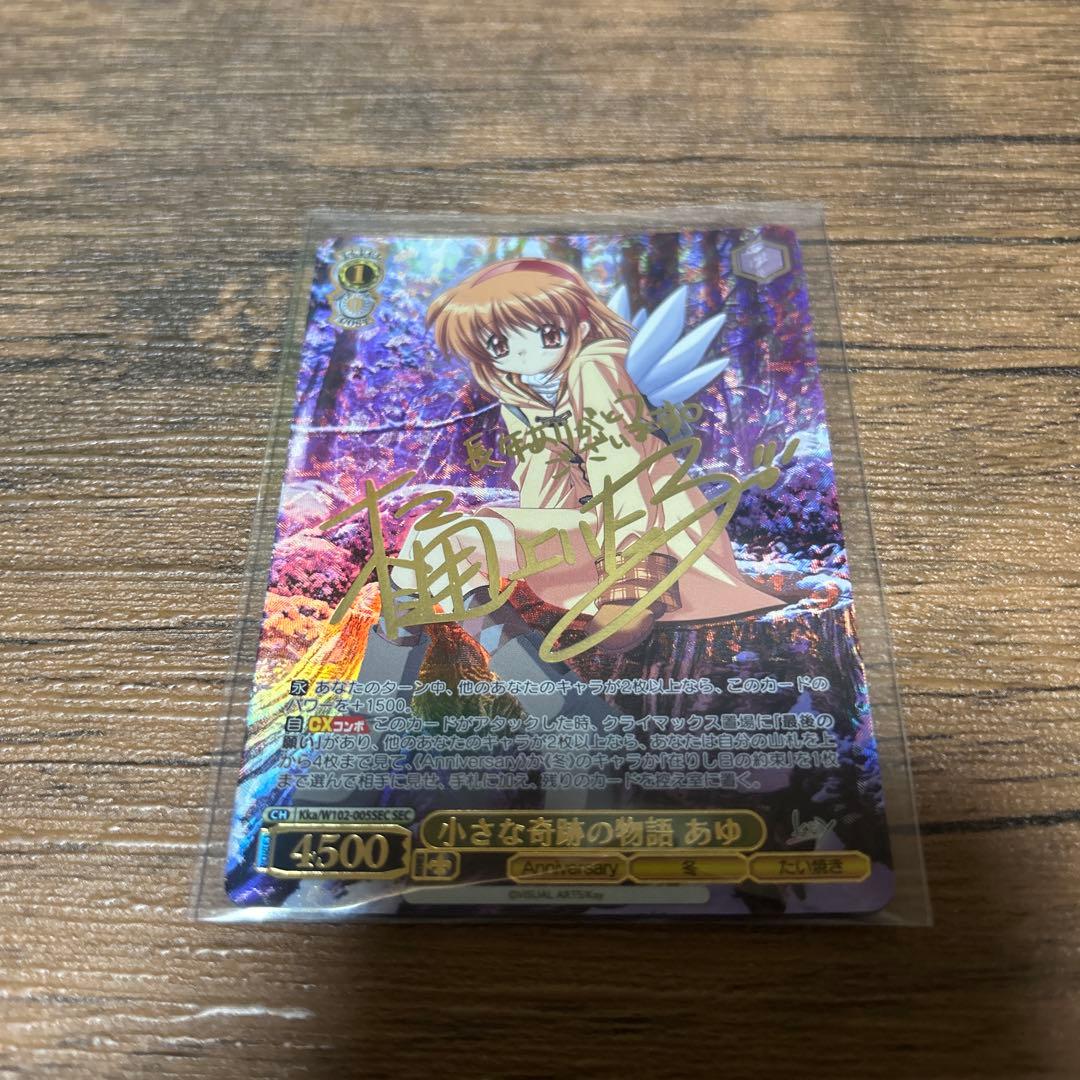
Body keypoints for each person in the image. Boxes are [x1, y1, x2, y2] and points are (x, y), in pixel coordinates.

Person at [400, 256, 781, 654]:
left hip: (654, 542)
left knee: (442, 543)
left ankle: (458, 646)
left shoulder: (595, 368)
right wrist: (536, 547)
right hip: (588, 537)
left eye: (546, 333)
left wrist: (631, 582)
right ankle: (509, 658)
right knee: (432, 537)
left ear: (579, 328)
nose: (523, 354)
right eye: (499, 344)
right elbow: (543, 492)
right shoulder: (522, 398)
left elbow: (622, 469)